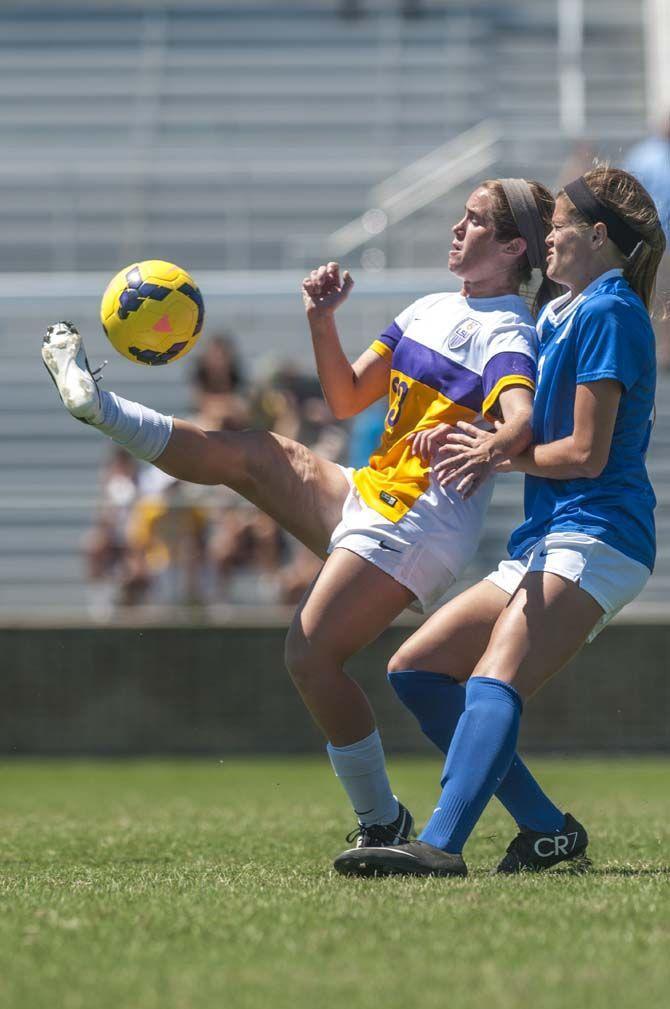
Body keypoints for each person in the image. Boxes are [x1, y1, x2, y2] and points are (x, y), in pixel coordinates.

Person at [41, 177, 554, 864]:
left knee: (310, 655)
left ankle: (381, 820)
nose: (458, 228)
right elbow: (344, 398)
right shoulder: (430, 306)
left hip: (420, 521)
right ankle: (99, 407)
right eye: (460, 216)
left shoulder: (507, 329)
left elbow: (520, 412)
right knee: (252, 455)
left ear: (515, 246)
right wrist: (322, 318)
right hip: (372, 492)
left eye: (477, 221)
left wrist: (498, 439)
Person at [339, 166, 664, 878]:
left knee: (495, 677)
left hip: (599, 533)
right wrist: (464, 434)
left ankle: (440, 845)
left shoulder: (610, 312)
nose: (547, 237)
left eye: (559, 226)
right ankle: (547, 830)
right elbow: (524, 424)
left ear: (597, 235)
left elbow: (585, 453)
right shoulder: (560, 313)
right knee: (418, 670)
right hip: (551, 535)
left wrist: (498, 457)